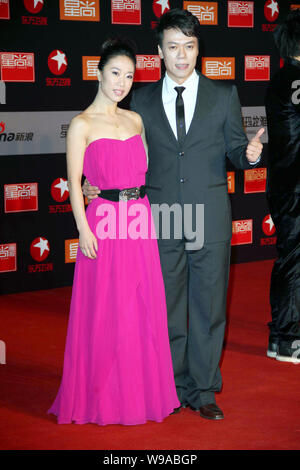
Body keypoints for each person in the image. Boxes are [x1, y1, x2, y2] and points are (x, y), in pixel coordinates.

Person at [84, 9, 263, 420]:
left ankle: (202, 389)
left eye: (189, 46)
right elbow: (117, 150)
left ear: (198, 49)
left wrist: (248, 155)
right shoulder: (139, 101)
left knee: (209, 307)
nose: (181, 56)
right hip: (159, 216)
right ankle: (170, 384)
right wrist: (96, 184)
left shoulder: (223, 95)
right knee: (165, 306)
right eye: (172, 47)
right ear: (159, 52)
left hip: (210, 216)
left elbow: (236, 150)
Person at [47, 39, 180, 426]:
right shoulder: (81, 124)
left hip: (138, 220)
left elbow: (142, 173)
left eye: (129, 76)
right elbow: (74, 183)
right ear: (99, 73)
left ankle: (139, 392)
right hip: (103, 223)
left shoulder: (135, 120)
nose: (122, 83)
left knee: (140, 307)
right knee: (106, 310)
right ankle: (101, 394)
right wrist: (83, 228)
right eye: (115, 73)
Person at [265, 9, 300, 364]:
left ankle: (280, 335)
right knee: (293, 260)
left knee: (289, 257)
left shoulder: (279, 78)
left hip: (283, 183)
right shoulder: (295, 79)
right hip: (295, 187)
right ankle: (288, 338)